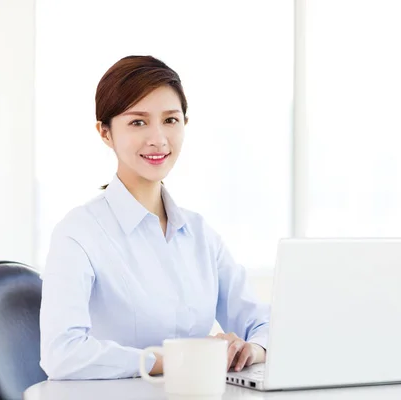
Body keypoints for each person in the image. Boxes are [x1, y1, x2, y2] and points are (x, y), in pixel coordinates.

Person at [39, 55, 269, 380]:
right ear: (105, 133)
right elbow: (61, 353)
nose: (158, 138)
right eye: (138, 122)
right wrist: (172, 360)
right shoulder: (78, 233)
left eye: (171, 120)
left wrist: (252, 349)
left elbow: (263, 323)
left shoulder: (200, 235)